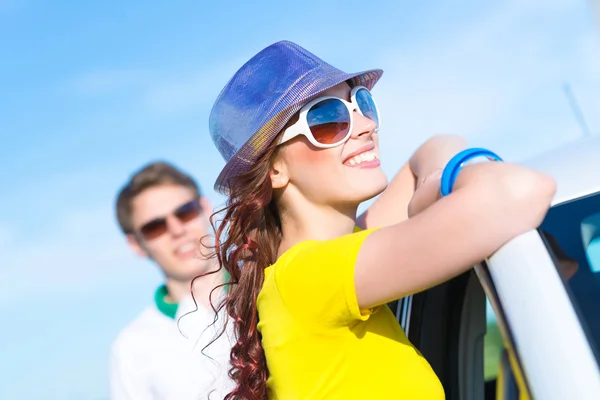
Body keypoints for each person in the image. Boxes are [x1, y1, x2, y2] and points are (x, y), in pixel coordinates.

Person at [207, 41, 556, 399]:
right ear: (274, 171)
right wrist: (443, 189)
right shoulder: (308, 276)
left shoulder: (334, 261)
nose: (365, 125)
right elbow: (520, 191)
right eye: (327, 119)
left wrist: (437, 182)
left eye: (361, 103)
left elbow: (436, 146)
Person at [109, 161, 234, 400]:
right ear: (136, 245)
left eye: (185, 212)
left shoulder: (268, 284)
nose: (177, 230)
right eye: (155, 227)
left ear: (205, 208)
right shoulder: (131, 348)